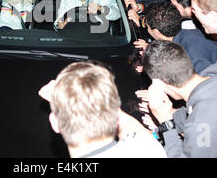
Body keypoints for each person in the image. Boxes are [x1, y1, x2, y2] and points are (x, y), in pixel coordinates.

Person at [38, 61, 167, 158]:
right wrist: (99, 97)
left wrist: (65, 97)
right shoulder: (150, 151)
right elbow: (135, 132)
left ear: (55, 123)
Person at [133, 1, 217, 74]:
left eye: (148, 27)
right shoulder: (188, 34)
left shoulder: (190, 54)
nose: (147, 30)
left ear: (156, 32)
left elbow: (206, 84)